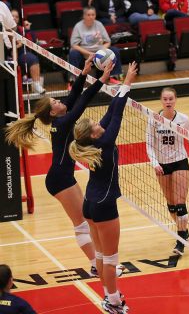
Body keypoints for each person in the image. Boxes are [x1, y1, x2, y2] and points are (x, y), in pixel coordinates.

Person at [5, 56, 113, 277]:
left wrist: (84, 72)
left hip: (61, 178)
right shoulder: (63, 122)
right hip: (60, 180)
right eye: (55, 103)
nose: (59, 101)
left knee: (87, 219)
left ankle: (97, 262)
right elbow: (81, 101)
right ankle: (95, 265)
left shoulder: (60, 119)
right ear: (53, 113)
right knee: (82, 223)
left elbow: (74, 96)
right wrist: (101, 79)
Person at [69, 61, 138, 314]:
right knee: (110, 259)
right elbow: (117, 114)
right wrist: (128, 81)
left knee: (100, 257)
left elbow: (111, 110)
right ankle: (113, 301)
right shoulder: (105, 143)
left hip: (91, 204)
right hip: (104, 205)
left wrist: (115, 82)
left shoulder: (94, 141)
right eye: (95, 124)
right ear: (94, 133)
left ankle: (110, 295)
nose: (99, 122)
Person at [146, 87, 189, 256]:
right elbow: (149, 145)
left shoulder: (183, 119)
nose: (168, 102)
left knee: (180, 203)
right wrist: (154, 163)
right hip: (162, 165)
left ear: (176, 100)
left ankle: (181, 239)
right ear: (161, 101)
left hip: (180, 162)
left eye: (171, 99)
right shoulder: (153, 119)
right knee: (171, 204)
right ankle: (184, 230)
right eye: (165, 99)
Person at [69, 6, 123, 85]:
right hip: (84, 54)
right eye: (88, 15)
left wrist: (101, 52)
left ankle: (113, 77)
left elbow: (108, 41)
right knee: (73, 53)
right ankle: (73, 80)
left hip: (99, 53)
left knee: (115, 50)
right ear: (84, 16)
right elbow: (74, 45)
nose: (91, 17)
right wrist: (88, 53)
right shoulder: (78, 26)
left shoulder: (99, 24)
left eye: (93, 15)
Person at [10, 9, 45, 94]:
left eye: (17, 17)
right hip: (9, 55)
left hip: (22, 54)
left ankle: (36, 85)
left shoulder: (21, 29)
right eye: (12, 16)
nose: (14, 18)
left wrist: (28, 30)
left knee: (33, 59)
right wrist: (17, 45)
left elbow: (31, 42)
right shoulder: (4, 28)